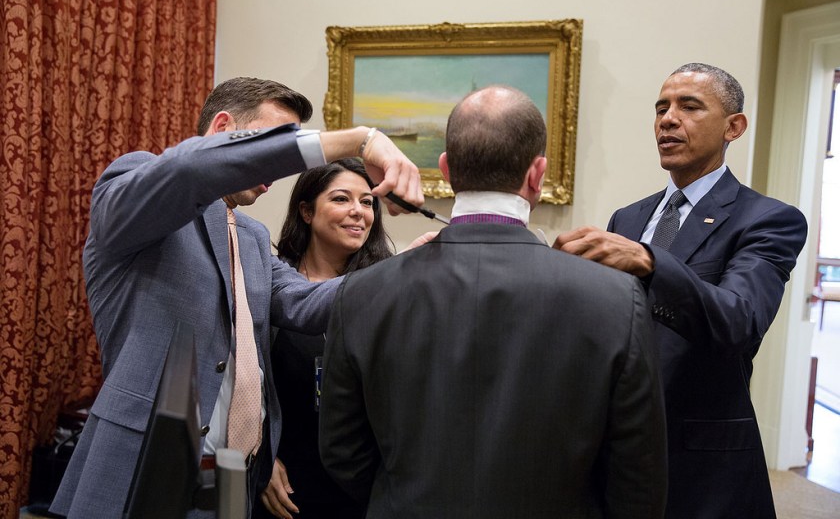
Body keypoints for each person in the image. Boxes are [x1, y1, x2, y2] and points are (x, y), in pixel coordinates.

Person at [50, 77, 423, 519]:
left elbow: (306, 303)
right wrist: (361, 140)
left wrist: (411, 267)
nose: (276, 172)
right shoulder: (137, 187)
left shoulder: (250, 236)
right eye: (273, 147)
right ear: (224, 128)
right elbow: (189, 169)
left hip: (232, 480)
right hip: (143, 467)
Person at [318, 85, 668, 518]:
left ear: (446, 170)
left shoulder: (363, 292)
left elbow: (341, 450)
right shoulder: (616, 297)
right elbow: (638, 473)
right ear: (537, 174)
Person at [553, 63, 808, 518]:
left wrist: (651, 263)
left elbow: (739, 321)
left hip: (703, 464)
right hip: (616, 447)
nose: (667, 119)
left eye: (689, 106)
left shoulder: (769, 219)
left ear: (734, 126)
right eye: (661, 108)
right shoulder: (627, 219)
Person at [258, 158, 392, 519]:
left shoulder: (389, 289)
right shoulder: (269, 284)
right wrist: (260, 457)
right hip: (283, 488)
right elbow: (240, 384)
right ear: (306, 211)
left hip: (363, 486)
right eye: (341, 199)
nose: (358, 212)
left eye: (367, 202)